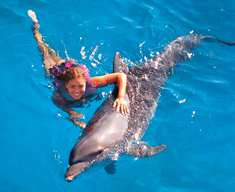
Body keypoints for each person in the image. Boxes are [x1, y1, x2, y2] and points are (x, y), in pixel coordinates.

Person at [28, 10, 128, 128]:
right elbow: (60, 105)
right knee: (44, 51)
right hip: (54, 71)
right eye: (72, 86)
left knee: (53, 53)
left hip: (68, 69)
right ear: (66, 85)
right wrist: (72, 113)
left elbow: (121, 76)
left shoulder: (93, 83)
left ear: (85, 82)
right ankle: (36, 29)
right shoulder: (59, 94)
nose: (77, 91)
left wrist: (121, 97)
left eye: (81, 86)